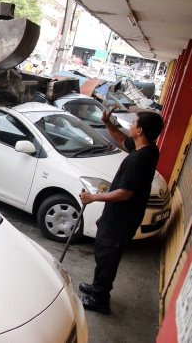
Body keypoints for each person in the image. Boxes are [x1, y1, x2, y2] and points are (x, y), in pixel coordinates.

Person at [78, 106, 164, 314]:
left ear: (140, 130)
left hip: (120, 220)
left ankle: (99, 299)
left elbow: (125, 193)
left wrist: (93, 197)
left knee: (107, 256)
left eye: (133, 123)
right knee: (103, 254)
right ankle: (98, 287)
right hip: (121, 217)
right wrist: (108, 123)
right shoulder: (148, 149)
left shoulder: (138, 159)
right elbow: (124, 141)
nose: (130, 126)